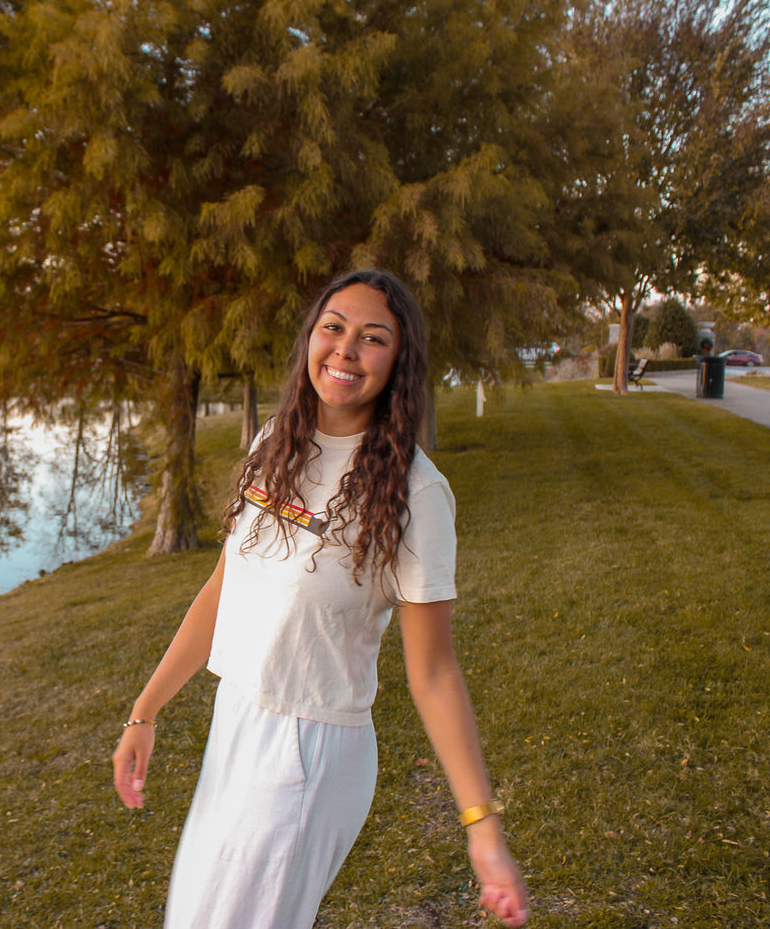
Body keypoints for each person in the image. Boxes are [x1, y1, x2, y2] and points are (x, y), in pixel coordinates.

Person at [112, 269, 529, 928]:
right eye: (332, 327)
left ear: (398, 362)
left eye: (372, 338)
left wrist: (481, 827)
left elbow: (433, 670)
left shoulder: (415, 494)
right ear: (310, 335)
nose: (344, 349)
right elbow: (223, 588)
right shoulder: (273, 441)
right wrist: (144, 711)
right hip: (236, 723)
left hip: (305, 751)